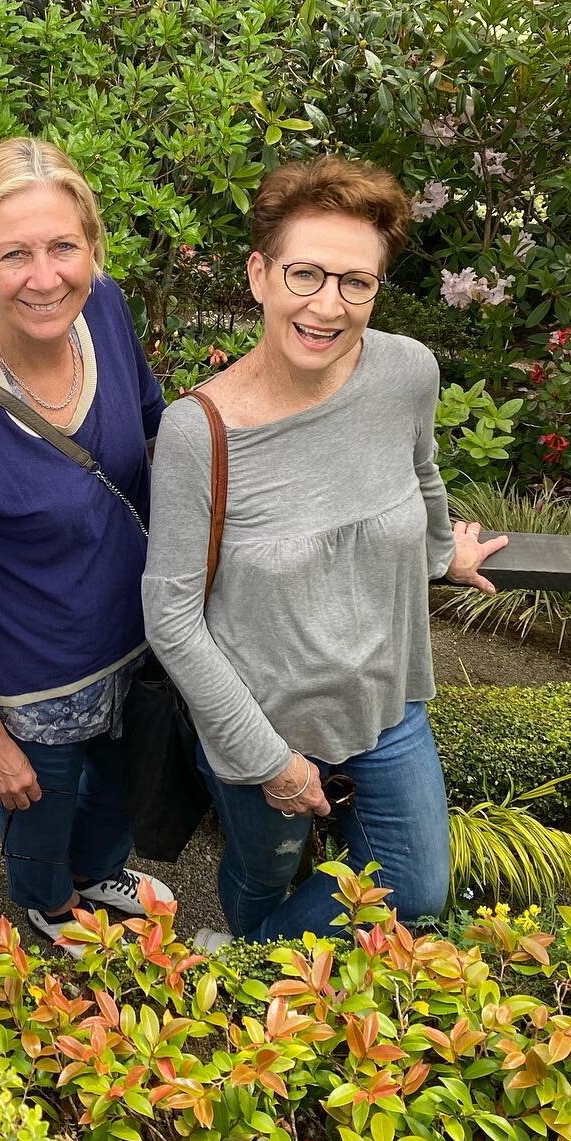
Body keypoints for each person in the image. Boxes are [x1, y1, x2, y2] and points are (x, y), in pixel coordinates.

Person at [142, 154, 505, 946]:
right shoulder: (198, 431)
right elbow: (170, 615)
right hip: (260, 722)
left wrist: (445, 552)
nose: (328, 306)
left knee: (413, 890)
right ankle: (256, 966)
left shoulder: (405, 371)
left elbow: (421, 470)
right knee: (264, 872)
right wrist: (268, 760)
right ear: (259, 275)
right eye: (305, 275)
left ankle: (244, 967)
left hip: (387, 703)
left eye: (355, 283)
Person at [0, 137, 172, 950]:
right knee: (37, 806)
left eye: (64, 246)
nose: (46, 275)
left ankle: (98, 872)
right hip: (36, 684)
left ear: (92, 248)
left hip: (140, 639)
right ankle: (46, 902)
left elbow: (158, 427)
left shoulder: (107, 307)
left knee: (116, 793)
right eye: (14, 254)